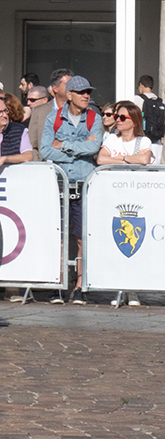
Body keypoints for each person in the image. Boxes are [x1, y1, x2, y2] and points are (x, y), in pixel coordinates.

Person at [40, 74, 101, 304]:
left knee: (81, 236)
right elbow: (46, 150)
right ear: (69, 95)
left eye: (89, 92)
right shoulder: (53, 118)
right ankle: (59, 284)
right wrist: (80, 148)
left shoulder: (93, 117)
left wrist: (64, 145)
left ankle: (80, 285)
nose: (87, 96)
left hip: (84, 184)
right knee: (59, 235)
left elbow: (94, 146)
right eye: (82, 92)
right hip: (60, 183)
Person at [96, 101, 156, 307]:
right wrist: (127, 160)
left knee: (138, 242)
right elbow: (101, 159)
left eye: (122, 117)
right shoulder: (112, 138)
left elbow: (144, 159)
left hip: (137, 195)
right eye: (116, 116)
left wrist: (118, 159)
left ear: (134, 120)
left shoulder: (144, 141)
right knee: (116, 239)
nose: (117, 120)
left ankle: (134, 289)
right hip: (115, 194)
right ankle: (119, 285)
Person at [29, 69, 72, 162]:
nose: (72, 88)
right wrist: (39, 163)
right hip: (46, 167)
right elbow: (32, 144)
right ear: (55, 88)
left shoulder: (83, 111)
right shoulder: (39, 112)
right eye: (68, 84)